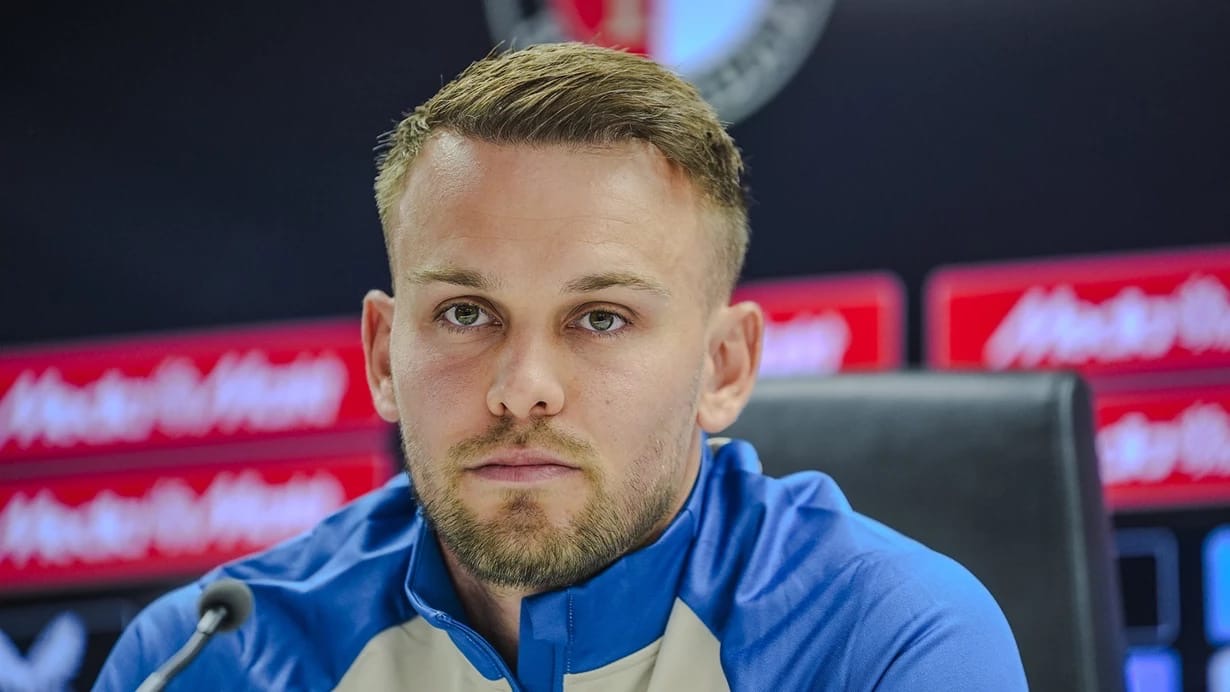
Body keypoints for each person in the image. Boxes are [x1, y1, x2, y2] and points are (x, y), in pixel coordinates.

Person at [95, 42, 1027, 691]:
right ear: (383, 354)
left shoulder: (887, 644)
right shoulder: (210, 660)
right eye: (466, 314)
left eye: (600, 319)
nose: (521, 389)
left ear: (723, 367)